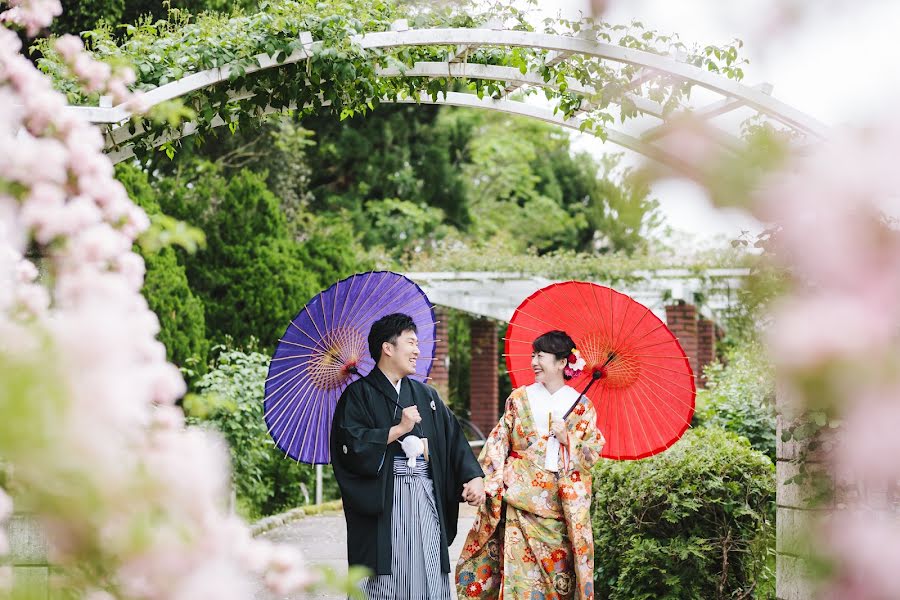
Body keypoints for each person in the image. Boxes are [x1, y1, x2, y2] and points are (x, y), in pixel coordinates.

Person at [330, 312, 485, 599]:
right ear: (387, 348)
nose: (417, 350)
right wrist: (398, 429)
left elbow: (453, 441)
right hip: (386, 498)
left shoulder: (426, 395)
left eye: (418, 344)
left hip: (425, 494)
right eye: (411, 343)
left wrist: (473, 477)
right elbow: (350, 446)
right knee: (387, 574)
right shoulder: (358, 395)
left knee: (427, 565)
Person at [455, 330, 606, 600]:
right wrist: (488, 481)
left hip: (559, 507)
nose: (535, 361)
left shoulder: (582, 406)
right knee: (519, 583)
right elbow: (498, 443)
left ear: (562, 363)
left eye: (542, 356)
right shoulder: (518, 398)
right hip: (518, 501)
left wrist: (567, 438)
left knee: (560, 581)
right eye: (533, 355)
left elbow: (591, 454)